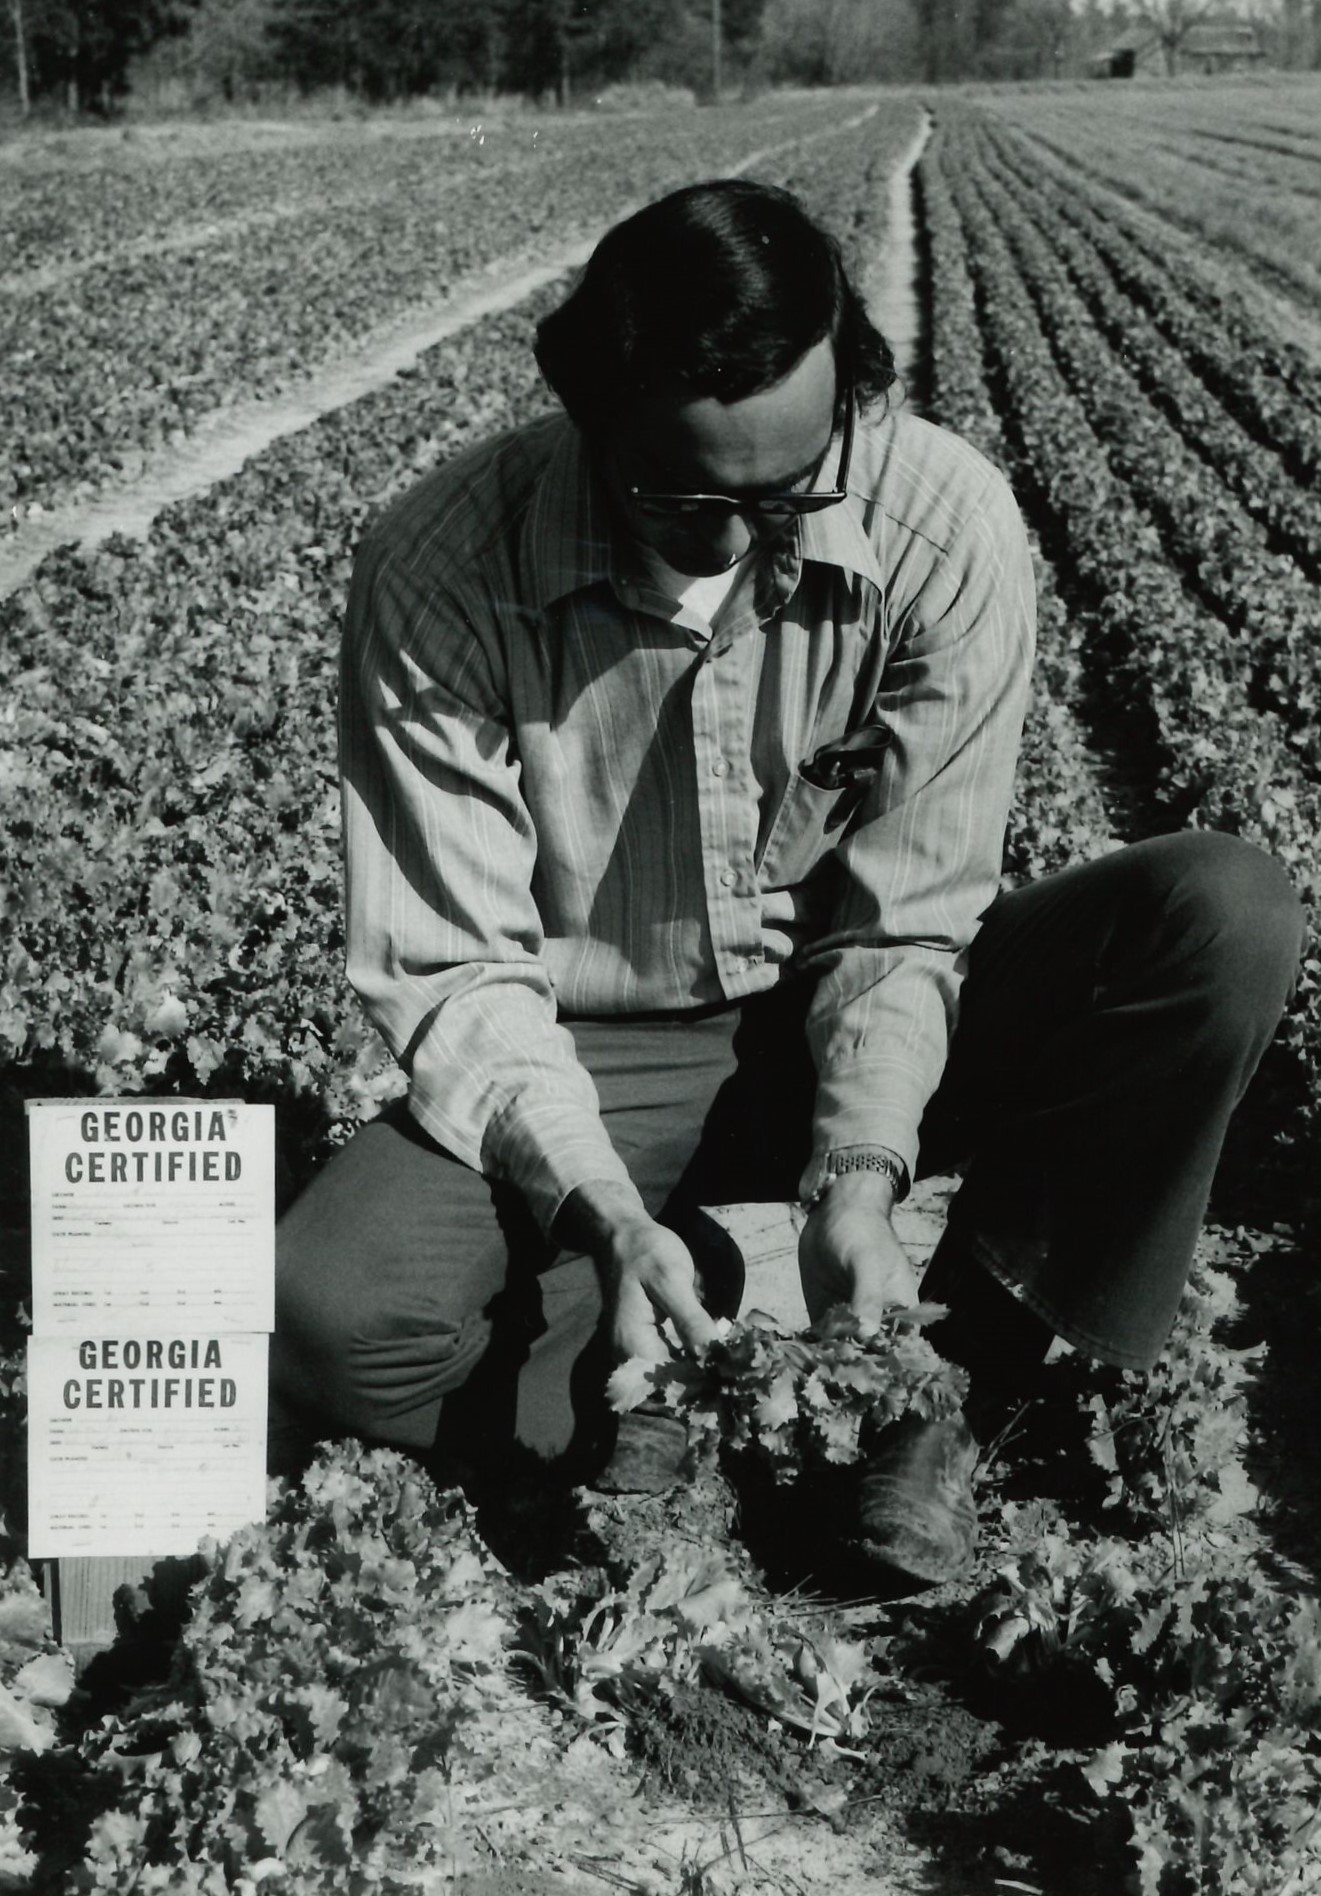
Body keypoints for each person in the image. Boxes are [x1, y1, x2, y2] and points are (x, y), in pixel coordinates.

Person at [268, 179, 1304, 1592]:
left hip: (852, 995)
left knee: (1218, 912)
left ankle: (950, 1385)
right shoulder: (446, 567)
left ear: (847, 404)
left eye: (789, 490)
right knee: (335, 1319)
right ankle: (678, 1374)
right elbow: (458, 974)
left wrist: (861, 1176)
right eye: (687, 499)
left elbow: (908, 916)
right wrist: (607, 1217)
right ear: (591, 419)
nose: (747, 537)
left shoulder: (939, 523)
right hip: (594, 1042)